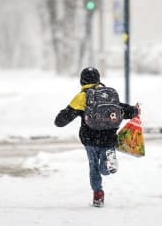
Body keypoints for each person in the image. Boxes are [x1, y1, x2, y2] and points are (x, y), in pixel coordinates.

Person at [54, 67, 139, 207]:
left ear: (82, 81)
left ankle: (98, 195)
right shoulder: (108, 94)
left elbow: (62, 120)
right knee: (104, 167)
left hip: (90, 139)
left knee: (93, 167)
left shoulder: (82, 97)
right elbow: (122, 109)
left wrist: (60, 118)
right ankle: (107, 163)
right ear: (98, 79)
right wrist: (135, 110)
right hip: (109, 137)